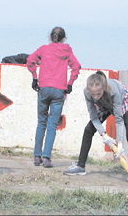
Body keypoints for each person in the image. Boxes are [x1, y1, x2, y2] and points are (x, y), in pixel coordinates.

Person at [63, 71, 128, 184]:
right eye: (93, 95)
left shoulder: (114, 90)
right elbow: (94, 117)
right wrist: (104, 135)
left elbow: (118, 119)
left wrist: (119, 144)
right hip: (104, 104)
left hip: (121, 100)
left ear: (104, 88)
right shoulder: (87, 93)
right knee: (88, 130)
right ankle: (80, 166)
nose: (95, 97)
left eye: (98, 94)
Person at [26, 26, 81, 168]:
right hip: (59, 90)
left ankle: (36, 157)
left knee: (41, 123)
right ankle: (46, 158)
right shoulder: (66, 51)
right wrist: (70, 83)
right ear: (64, 39)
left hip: (43, 88)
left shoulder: (43, 49)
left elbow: (30, 60)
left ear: (50, 37)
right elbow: (76, 66)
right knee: (51, 125)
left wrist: (34, 77)